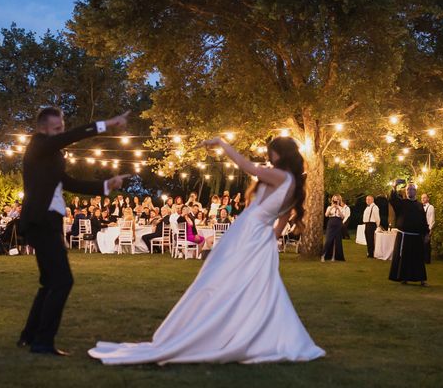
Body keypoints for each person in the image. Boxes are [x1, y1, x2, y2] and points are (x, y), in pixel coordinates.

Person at [89, 136, 325, 364]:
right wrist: (266, 245)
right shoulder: (294, 185)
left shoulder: (279, 175)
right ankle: (255, 333)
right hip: (261, 237)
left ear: (279, 153)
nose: (268, 155)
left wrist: (223, 144)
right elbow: (280, 225)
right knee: (256, 287)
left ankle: (221, 330)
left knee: (221, 278)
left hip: (248, 231)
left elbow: (246, 166)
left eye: (271, 151)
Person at [17, 107, 130, 356]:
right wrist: (107, 123)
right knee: (62, 281)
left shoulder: (52, 156)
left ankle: (30, 336)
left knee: (49, 282)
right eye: (57, 129)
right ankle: (42, 342)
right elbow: (71, 137)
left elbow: (70, 183)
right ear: (43, 128)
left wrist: (105, 185)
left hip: (47, 222)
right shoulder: (38, 145)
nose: (62, 132)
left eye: (62, 127)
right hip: (40, 221)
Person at [388, 181, 429, 286]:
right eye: (408, 189)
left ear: (415, 191)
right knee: (404, 259)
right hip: (404, 236)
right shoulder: (402, 203)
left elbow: (423, 221)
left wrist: (426, 234)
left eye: (411, 189)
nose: (409, 191)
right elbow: (393, 199)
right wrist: (394, 186)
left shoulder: (420, 206)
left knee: (417, 259)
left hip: (416, 237)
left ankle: (421, 279)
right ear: (405, 192)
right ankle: (404, 278)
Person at [321, 195, 345, 262]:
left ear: (339, 200)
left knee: (337, 241)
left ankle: (334, 257)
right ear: (332, 200)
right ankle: (323, 256)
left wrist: (338, 209)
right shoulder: (329, 207)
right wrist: (332, 207)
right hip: (331, 223)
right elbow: (326, 215)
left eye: (337, 199)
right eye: (334, 199)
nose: (335, 200)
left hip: (338, 224)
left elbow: (342, 217)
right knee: (328, 240)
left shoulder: (341, 208)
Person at [421, 193, 435, 264]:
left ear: (428, 199)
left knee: (427, 244)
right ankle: (421, 258)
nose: (423, 199)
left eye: (424, 198)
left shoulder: (431, 207)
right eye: (422, 198)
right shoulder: (420, 206)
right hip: (421, 228)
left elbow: (431, 219)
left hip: (427, 228)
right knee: (421, 244)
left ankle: (427, 260)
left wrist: (430, 229)